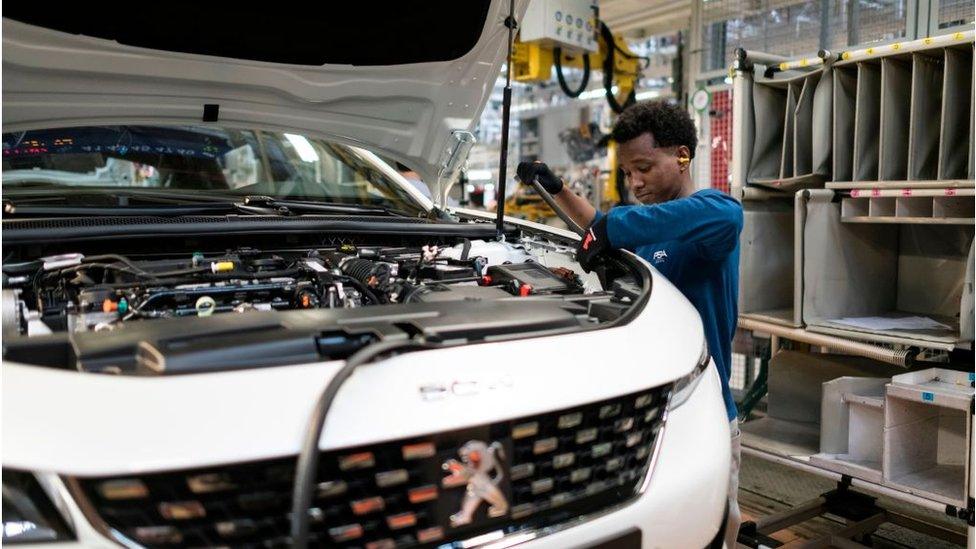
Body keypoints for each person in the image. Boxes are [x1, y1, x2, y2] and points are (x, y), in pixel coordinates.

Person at [516, 99, 743, 548]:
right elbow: (599, 228)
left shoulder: (711, 216)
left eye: (644, 167)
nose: (635, 182)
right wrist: (557, 189)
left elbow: (724, 213)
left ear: (682, 155)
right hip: (639, 411)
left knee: (709, 529)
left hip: (699, 410)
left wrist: (613, 227)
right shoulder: (645, 222)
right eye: (627, 173)